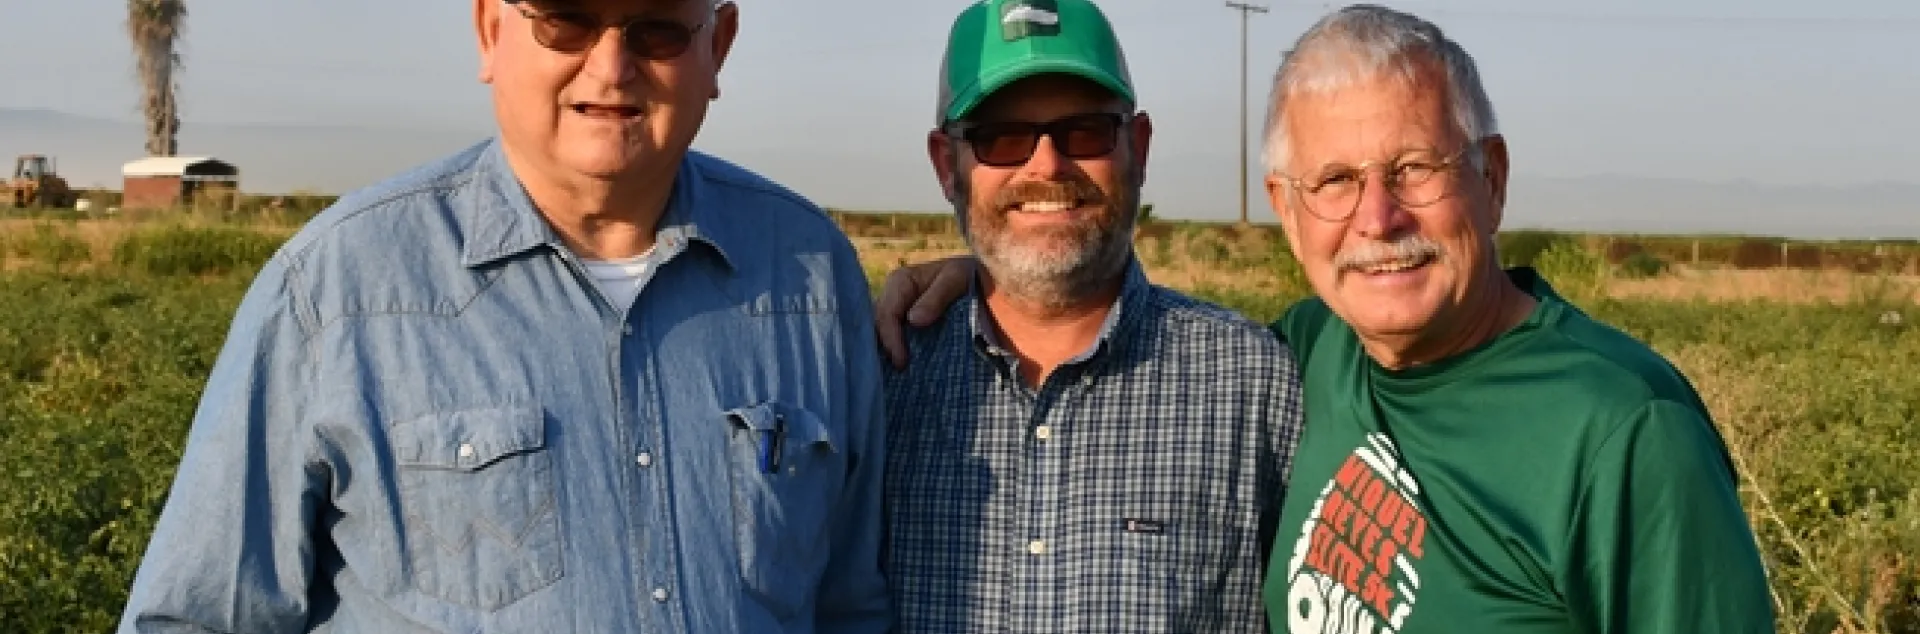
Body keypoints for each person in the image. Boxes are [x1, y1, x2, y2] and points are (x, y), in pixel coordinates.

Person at [874, 4, 1776, 633]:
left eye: (1417, 168)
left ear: (1492, 179)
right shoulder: (876, 374)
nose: (1378, 221)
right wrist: (988, 273)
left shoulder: (1624, 429)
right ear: (1289, 206)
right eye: (1337, 181)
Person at [116, 1, 891, 632]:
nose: (611, 66)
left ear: (717, 46)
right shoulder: (337, 290)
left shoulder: (811, 275)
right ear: (490, 30)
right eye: (566, 20)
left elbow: (850, 605)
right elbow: (195, 618)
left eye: (656, 28)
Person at [878, 1, 1305, 632]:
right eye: (1002, 139)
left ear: (1138, 147)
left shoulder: (1252, 382)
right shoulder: (879, 379)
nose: (1046, 166)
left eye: (1084, 132)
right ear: (948, 165)